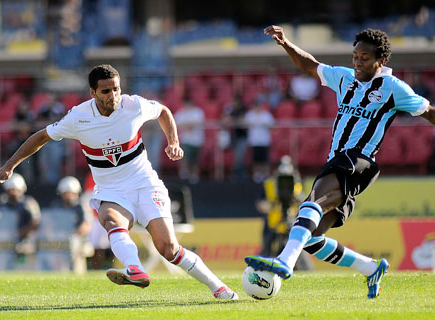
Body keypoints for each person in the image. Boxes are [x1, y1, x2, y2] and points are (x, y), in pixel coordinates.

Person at [0, 64, 238, 300]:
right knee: (111, 219)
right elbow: (41, 136)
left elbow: (163, 111)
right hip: (112, 190)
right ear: (92, 92)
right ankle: (135, 269)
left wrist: (173, 141)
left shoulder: (133, 105)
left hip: (145, 184)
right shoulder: (78, 117)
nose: (113, 95)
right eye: (106, 91)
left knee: (169, 249)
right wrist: (10, 166)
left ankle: (219, 288)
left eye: (116, 89)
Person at [245, 26, 435, 299]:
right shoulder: (345, 78)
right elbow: (311, 66)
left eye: (365, 57)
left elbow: (428, 112)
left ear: (381, 61)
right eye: (355, 56)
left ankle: (284, 262)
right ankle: (370, 267)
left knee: (311, 203)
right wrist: (286, 43)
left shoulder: (393, 88)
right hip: (340, 161)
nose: (357, 62)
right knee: (310, 240)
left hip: (359, 160)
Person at [0, 173, 41, 266]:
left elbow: (35, 222)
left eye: (15, 190)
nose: (13, 192)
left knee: (22, 249)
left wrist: (20, 232)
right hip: (6, 239)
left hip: (25, 239)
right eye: (10, 190)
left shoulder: (28, 204)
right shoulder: (2, 204)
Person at [56, 176, 94, 274]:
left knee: (72, 242)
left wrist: (71, 234)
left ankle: (76, 272)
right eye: (66, 193)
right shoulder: (58, 206)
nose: (68, 196)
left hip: (80, 239)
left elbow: (86, 225)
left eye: (71, 193)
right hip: (60, 237)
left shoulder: (81, 206)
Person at [174, 99, 205, 183]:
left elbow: (199, 122)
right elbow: (177, 124)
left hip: (197, 141)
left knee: (195, 160)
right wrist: (190, 124)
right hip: (186, 140)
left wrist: (187, 125)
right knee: (185, 159)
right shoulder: (180, 113)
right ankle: (184, 175)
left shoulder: (198, 112)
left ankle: (194, 177)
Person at [244, 101, 275, 183]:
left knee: (265, 160)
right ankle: (257, 175)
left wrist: (264, 125)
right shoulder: (250, 115)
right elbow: (245, 126)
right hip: (254, 141)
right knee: (256, 160)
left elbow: (272, 126)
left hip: (264, 141)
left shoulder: (266, 115)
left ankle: (265, 174)